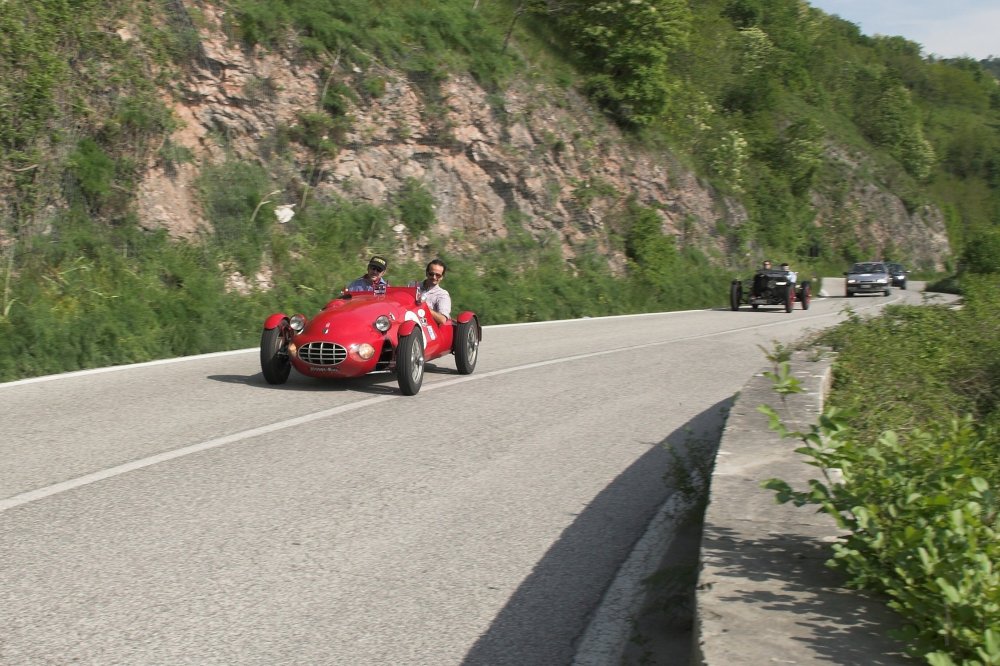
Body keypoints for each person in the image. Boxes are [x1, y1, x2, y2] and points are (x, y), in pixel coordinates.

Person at [418, 258, 451, 325]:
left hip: (428, 328)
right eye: (431, 274)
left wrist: (424, 307)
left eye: (438, 275)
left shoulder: (442, 295)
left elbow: (442, 319)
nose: (434, 277)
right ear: (426, 273)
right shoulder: (413, 286)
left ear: (442, 277)